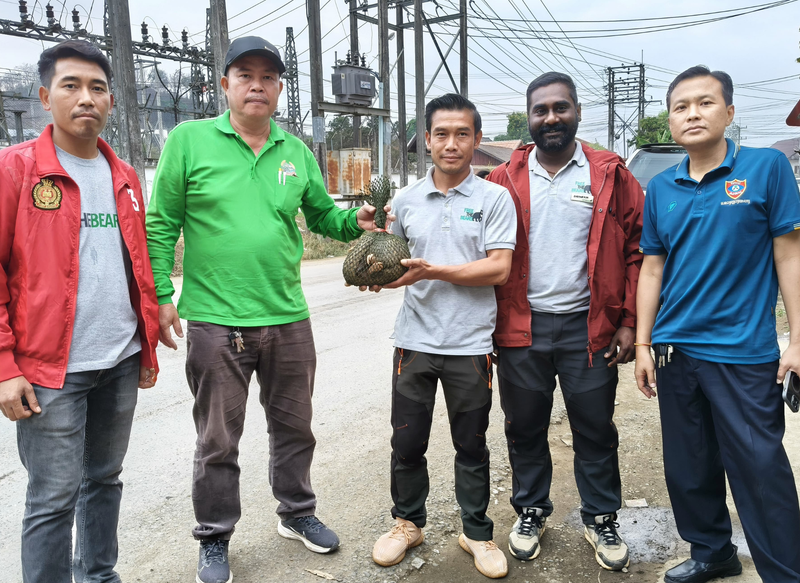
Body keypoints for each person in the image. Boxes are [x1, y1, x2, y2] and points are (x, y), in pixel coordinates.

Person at [145, 36, 388, 583]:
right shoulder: (189, 140)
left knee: (295, 426)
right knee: (216, 440)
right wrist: (161, 295)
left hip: (287, 317)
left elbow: (325, 217)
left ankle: (297, 513)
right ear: (226, 83)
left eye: (268, 77)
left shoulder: (295, 151)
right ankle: (213, 537)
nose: (257, 84)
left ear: (280, 88)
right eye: (245, 74)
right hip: (215, 319)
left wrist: (359, 223)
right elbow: (160, 223)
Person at [0, 40, 160, 583]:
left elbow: (136, 264)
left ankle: (98, 574)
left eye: (97, 88)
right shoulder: (16, 170)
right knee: (52, 498)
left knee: (105, 478)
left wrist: (148, 340)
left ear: (111, 101)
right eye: (71, 85)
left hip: (118, 358)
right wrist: (5, 366)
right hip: (49, 370)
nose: (85, 97)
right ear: (45, 97)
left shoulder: (125, 178)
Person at [635, 65, 800, 583]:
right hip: (675, 351)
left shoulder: (766, 168)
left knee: (759, 469)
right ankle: (713, 552)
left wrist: (797, 339)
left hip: (743, 352)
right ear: (670, 120)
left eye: (705, 103)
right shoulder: (661, 187)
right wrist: (643, 342)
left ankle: (784, 571)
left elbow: (789, 256)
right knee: (689, 467)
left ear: (729, 112)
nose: (692, 113)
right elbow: (652, 267)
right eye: (681, 106)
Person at [487, 72, 644, 570]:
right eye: (541, 110)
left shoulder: (610, 174)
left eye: (561, 107)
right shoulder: (503, 179)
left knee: (595, 428)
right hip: (521, 327)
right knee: (525, 426)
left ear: (577, 112)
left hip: (589, 328)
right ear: (528, 118)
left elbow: (641, 248)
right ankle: (531, 509)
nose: (551, 117)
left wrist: (629, 320)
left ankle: (601, 517)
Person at [368, 93, 516, 579]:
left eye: (462, 134)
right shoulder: (406, 201)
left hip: (471, 344)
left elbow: (498, 267)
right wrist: (378, 271)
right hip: (414, 341)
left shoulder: (494, 197)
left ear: (476, 140)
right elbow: (393, 267)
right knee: (407, 442)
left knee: (470, 445)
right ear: (427, 140)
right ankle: (407, 524)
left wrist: (436, 271)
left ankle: (475, 531)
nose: (451, 144)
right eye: (441, 134)